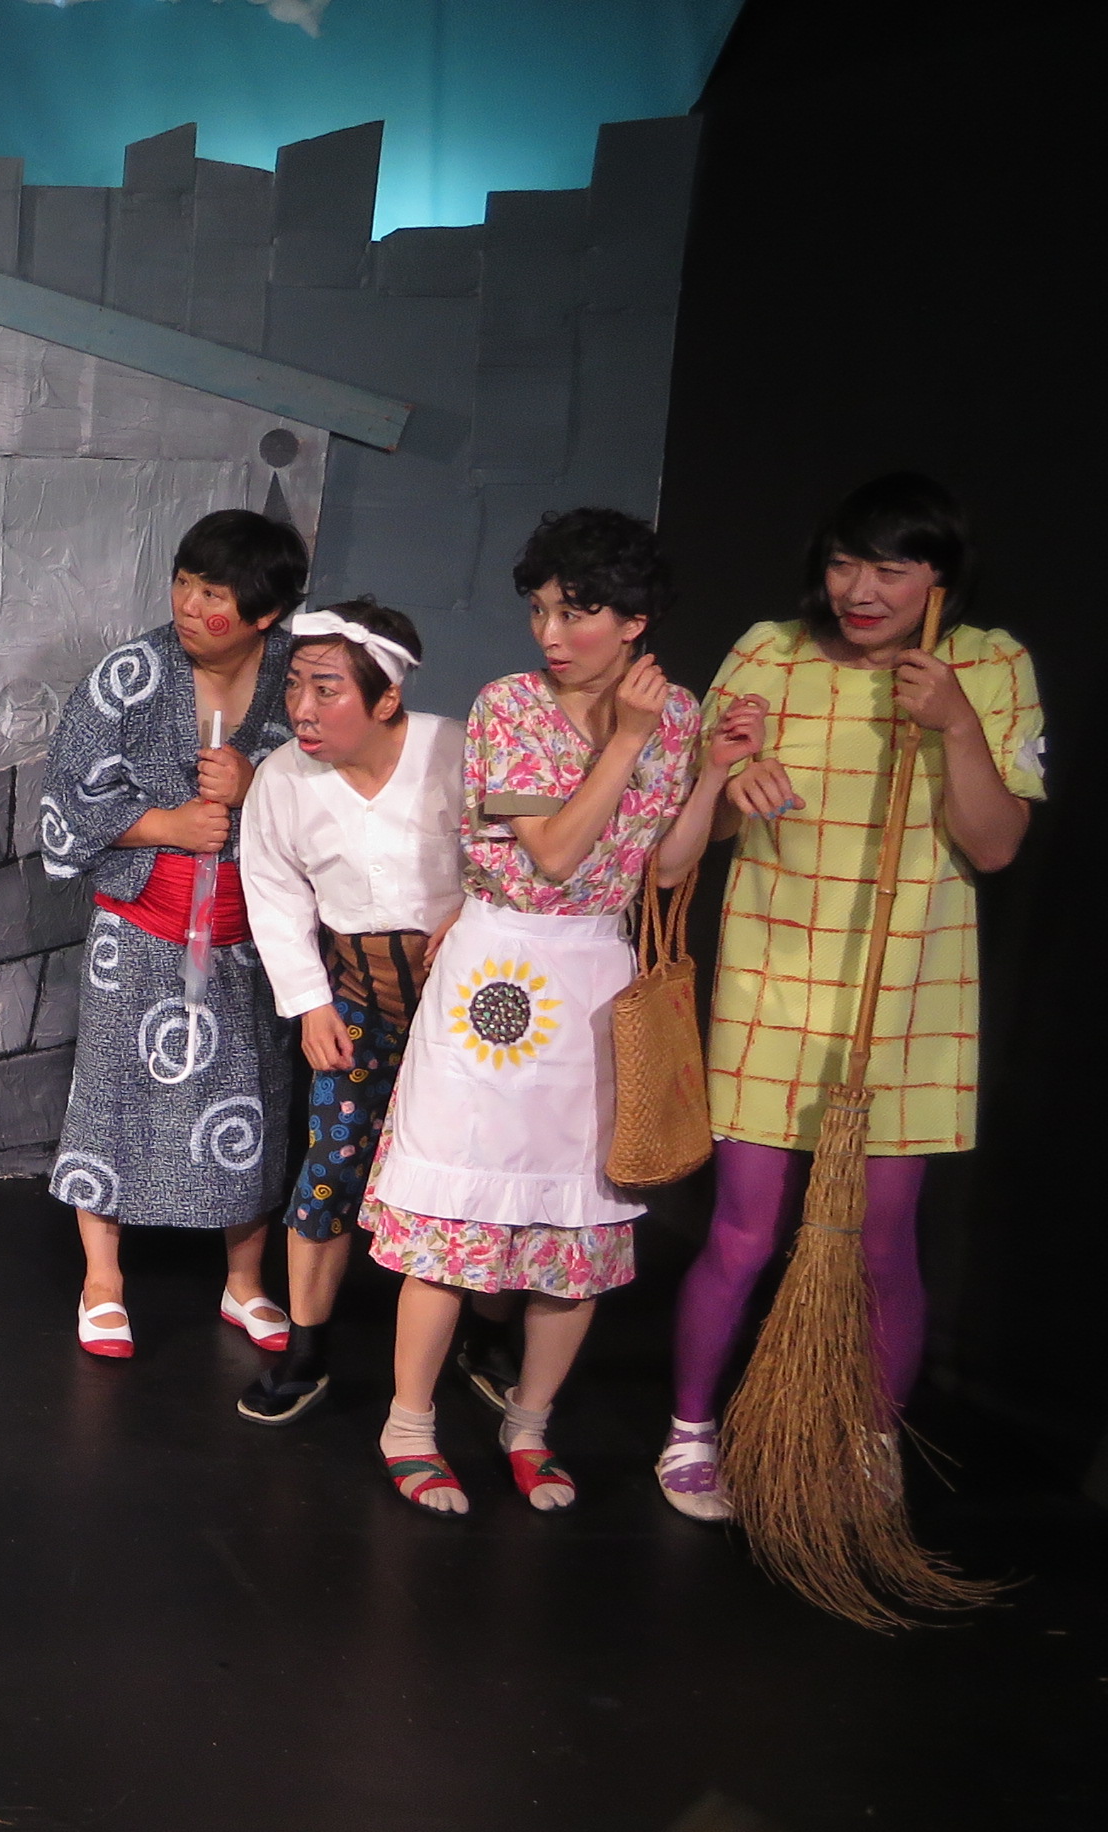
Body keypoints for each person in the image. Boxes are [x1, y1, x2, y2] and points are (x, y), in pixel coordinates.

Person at [657, 475, 1043, 1521]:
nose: (860, 591)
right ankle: (691, 1428)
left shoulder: (990, 665)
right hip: (772, 983)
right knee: (743, 1233)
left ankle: (869, 1440)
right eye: (843, 565)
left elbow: (996, 844)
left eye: (890, 570)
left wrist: (956, 725)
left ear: (940, 578)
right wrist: (732, 782)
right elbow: (702, 825)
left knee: (880, 1242)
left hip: (911, 994)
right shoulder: (768, 652)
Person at [358, 508, 746, 1514]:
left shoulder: (678, 711)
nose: (551, 632)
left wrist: (708, 772)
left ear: (635, 621)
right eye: (540, 610)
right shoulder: (510, 705)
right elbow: (560, 853)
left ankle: (529, 1423)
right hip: (501, 966)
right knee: (455, 1212)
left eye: (576, 613)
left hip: (596, 977)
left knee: (576, 1227)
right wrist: (626, 742)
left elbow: (665, 868)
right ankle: (409, 1423)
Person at [37, 510, 307, 1360]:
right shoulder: (129, 676)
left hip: (254, 935)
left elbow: (344, 786)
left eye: (214, 594)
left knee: (254, 1096)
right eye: (184, 582)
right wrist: (169, 825)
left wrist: (262, 783)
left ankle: (245, 1281)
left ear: (266, 613)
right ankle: (102, 1281)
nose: (189, 605)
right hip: (141, 928)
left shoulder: (303, 677)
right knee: (112, 1096)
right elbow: (67, 797)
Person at [234, 599, 463, 1424]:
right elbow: (272, 891)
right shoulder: (284, 780)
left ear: (386, 698)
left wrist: (475, 908)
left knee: (468, 1174)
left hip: (462, 1004)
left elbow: (511, 852)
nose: (302, 707)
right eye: (295, 685)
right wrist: (310, 1004)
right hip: (358, 998)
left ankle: (484, 1335)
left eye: (326, 689)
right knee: (330, 1164)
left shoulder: (456, 751)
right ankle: (307, 1349)